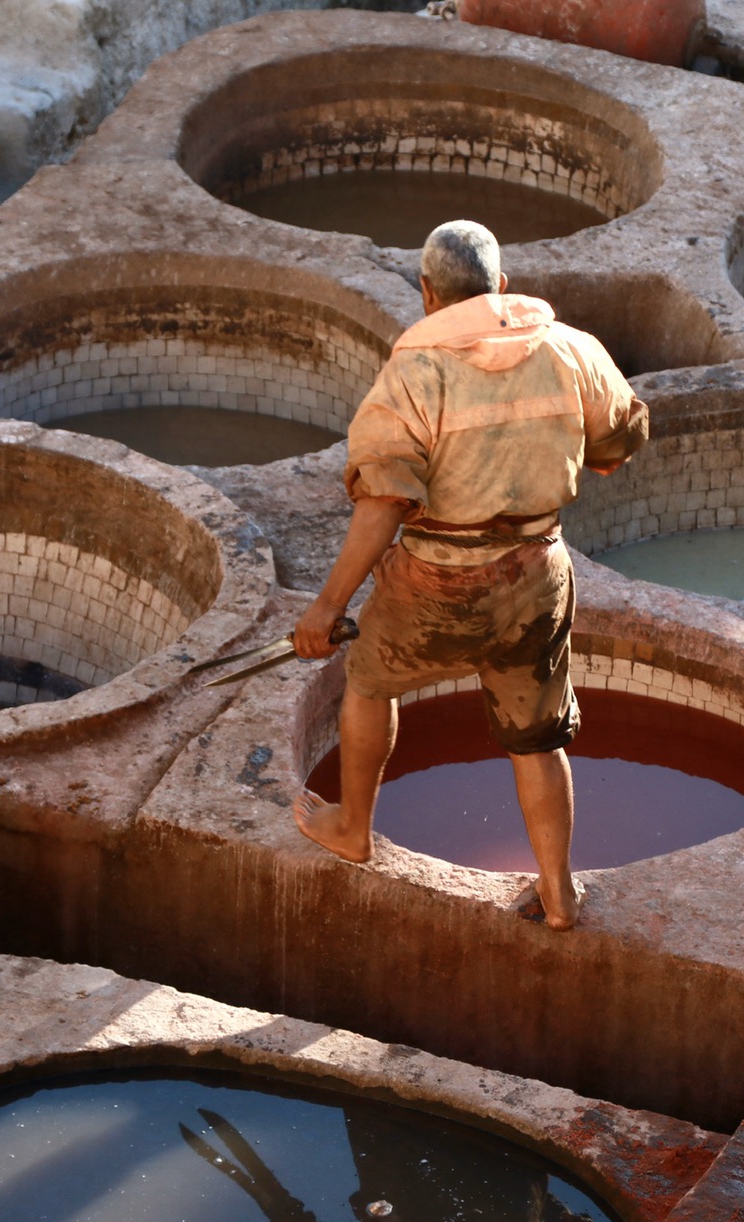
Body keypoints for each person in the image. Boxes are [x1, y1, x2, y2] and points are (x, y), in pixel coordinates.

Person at [290, 219, 648, 930]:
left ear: (427, 295)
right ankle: (557, 893)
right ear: (501, 288)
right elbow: (620, 439)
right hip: (534, 575)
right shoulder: (570, 350)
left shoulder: (412, 377)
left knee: (368, 683)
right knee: (538, 738)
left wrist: (327, 608)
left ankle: (352, 828)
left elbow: (384, 503)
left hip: (434, 580)